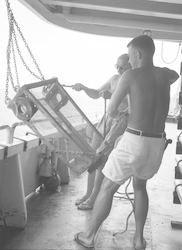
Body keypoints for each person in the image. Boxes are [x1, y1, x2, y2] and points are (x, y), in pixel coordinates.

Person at [74, 35, 179, 249]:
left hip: (135, 141)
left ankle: (89, 236)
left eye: (130, 55)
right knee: (140, 187)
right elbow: (174, 75)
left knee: (106, 187)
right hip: (157, 144)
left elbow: (112, 111)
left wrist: (128, 109)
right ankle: (139, 240)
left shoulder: (129, 75)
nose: (129, 61)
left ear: (138, 54)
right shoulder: (165, 75)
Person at [72, 54, 132, 210]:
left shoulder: (134, 80)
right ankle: (88, 193)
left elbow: (130, 103)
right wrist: (84, 88)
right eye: (116, 66)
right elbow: (96, 93)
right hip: (106, 120)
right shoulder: (113, 79)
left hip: (120, 121)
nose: (119, 70)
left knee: (101, 159)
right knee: (93, 157)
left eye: (122, 67)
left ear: (131, 65)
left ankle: (94, 198)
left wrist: (111, 95)